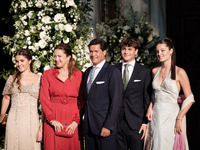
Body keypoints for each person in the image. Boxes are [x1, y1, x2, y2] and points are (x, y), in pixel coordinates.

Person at [146, 37, 195, 150]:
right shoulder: (154, 71)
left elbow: (190, 98)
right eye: (157, 51)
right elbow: (155, 94)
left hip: (171, 116)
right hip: (156, 116)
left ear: (171, 51)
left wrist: (179, 118)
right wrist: (150, 106)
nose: (159, 54)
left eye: (162, 50)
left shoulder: (180, 72)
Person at [39, 43, 82, 150]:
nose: (56, 59)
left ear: (68, 57)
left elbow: (82, 100)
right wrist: (52, 120)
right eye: (55, 56)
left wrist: (76, 121)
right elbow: (43, 98)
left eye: (59, 56)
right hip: (52, 120)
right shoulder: (47, 74)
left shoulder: (79, 75)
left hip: (72, 121)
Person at [82, 38, 123, 150]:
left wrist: (108, 126)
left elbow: (116, 101)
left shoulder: (113, 72)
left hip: (104, 128)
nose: (93, 54)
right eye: (91, 51)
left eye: (96, 51)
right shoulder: (87, 72)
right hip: (89, 128)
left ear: (104, 52)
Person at [0, 49, 42, 150]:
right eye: (17, 61)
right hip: (13, 121)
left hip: (31, 122)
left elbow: (44, 104)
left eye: (22, 61)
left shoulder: (40, 79)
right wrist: (2, 115)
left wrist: (41, 128)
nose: (19, 64)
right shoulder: (12, 78)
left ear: (30, 61)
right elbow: (6, 97)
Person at [115, 36, 152, 150]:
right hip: (117, 123)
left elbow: (147, 98)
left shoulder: (144, 72)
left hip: (136, 124)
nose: (126, 52)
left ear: (136, 51)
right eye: (124, 49)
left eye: (129, 49)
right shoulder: (113, 70)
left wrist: (145, 123)